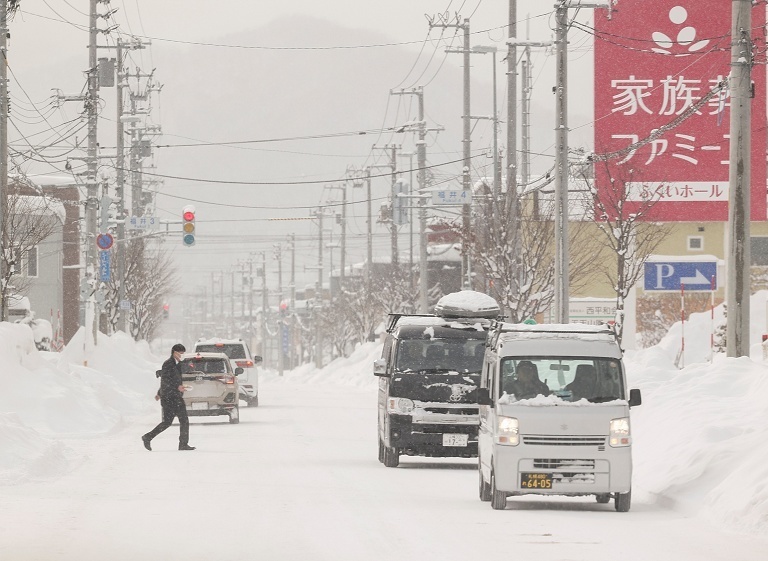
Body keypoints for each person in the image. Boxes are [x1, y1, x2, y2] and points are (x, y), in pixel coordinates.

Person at [141, 343, 196, 451]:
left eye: (183, 353)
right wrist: (176, 387)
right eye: (180, 353)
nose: (182, 355)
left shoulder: (178, 364)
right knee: (167, 422)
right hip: (169, 398)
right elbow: (165, 380)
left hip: (176, 397)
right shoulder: (168, 364)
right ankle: (147, 437)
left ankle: (183, 444)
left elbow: (169, 380)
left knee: (183, 420)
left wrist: (177, 388)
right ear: (174, 353)